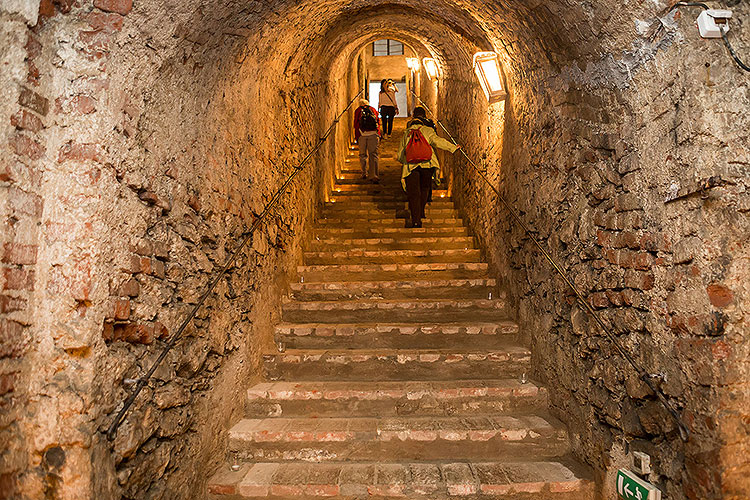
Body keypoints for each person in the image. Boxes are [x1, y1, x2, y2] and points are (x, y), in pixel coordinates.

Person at [396, 107, 460, 228]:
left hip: (411, 166)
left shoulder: (406, 133)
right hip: (427, 164)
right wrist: (453, 148)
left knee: (414, 193)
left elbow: (400, 155)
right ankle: (421, 211)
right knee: (424, 189)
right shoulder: (428, 130)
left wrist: (406, 159)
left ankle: (416, 220)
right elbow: (438, 141)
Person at [353, 98, 382, 183]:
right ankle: (374, 175)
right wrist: (378, 134)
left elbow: (356, 124)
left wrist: (357, 137)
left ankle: (364, 173)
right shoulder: (373, 109)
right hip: (373, 135)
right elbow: (378, 121)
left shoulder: (358, 110)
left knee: (362, 155)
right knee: (373, 154)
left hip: (362, 135)